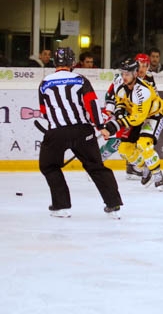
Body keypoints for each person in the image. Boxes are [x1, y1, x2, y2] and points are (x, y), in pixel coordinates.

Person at [37, 47, 123, 219]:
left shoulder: (45, 82)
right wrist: (101, 127)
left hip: (56, 132)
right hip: (83, 131)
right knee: (96, 166)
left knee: (49, 166)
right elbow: (91, 104)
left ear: (55, 62)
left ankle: (61, 206)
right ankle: (113, 204)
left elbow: (44, 111)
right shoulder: (80, 79)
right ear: (72, 62)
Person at [104, 58, 163, 189]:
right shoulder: (119, 83)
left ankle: (157, 174)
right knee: (124, 149)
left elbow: (138, 118)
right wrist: (119, 111)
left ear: (135, 73)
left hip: (154, 115)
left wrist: (117, 124)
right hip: (136, 115)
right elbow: (119, 100)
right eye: (122, 73)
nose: (124, 76)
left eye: (127, 74)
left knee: (143, 144)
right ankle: (146, 166)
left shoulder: (142, 91)